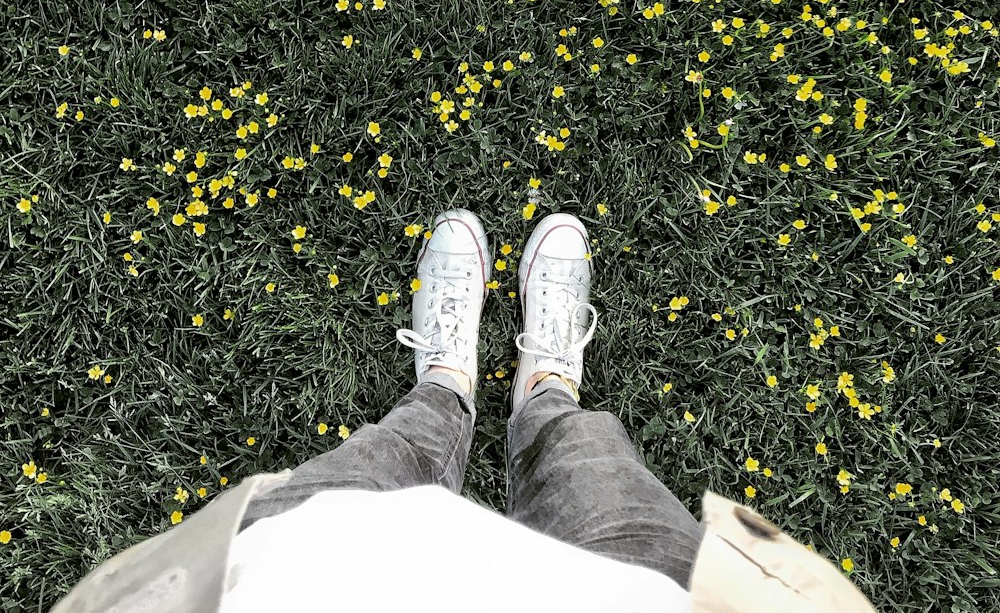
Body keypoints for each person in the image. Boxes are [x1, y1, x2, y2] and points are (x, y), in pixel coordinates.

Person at [50, 209, 881, 613]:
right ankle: (545, 392)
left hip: (296, 584)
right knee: (597, 474)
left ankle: (446, 384)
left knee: (377, 466)